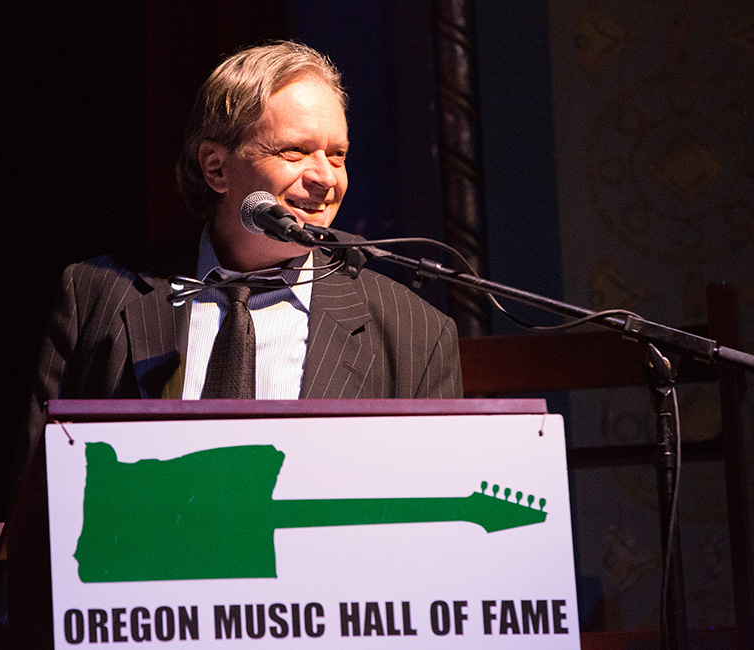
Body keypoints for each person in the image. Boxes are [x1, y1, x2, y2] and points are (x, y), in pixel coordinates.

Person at [23, 40, 463, 458]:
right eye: (295, 151)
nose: (326, 178)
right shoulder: (96, 294)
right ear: (216, 167)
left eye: (337, 155)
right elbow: (38, 503)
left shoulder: (416, 333)